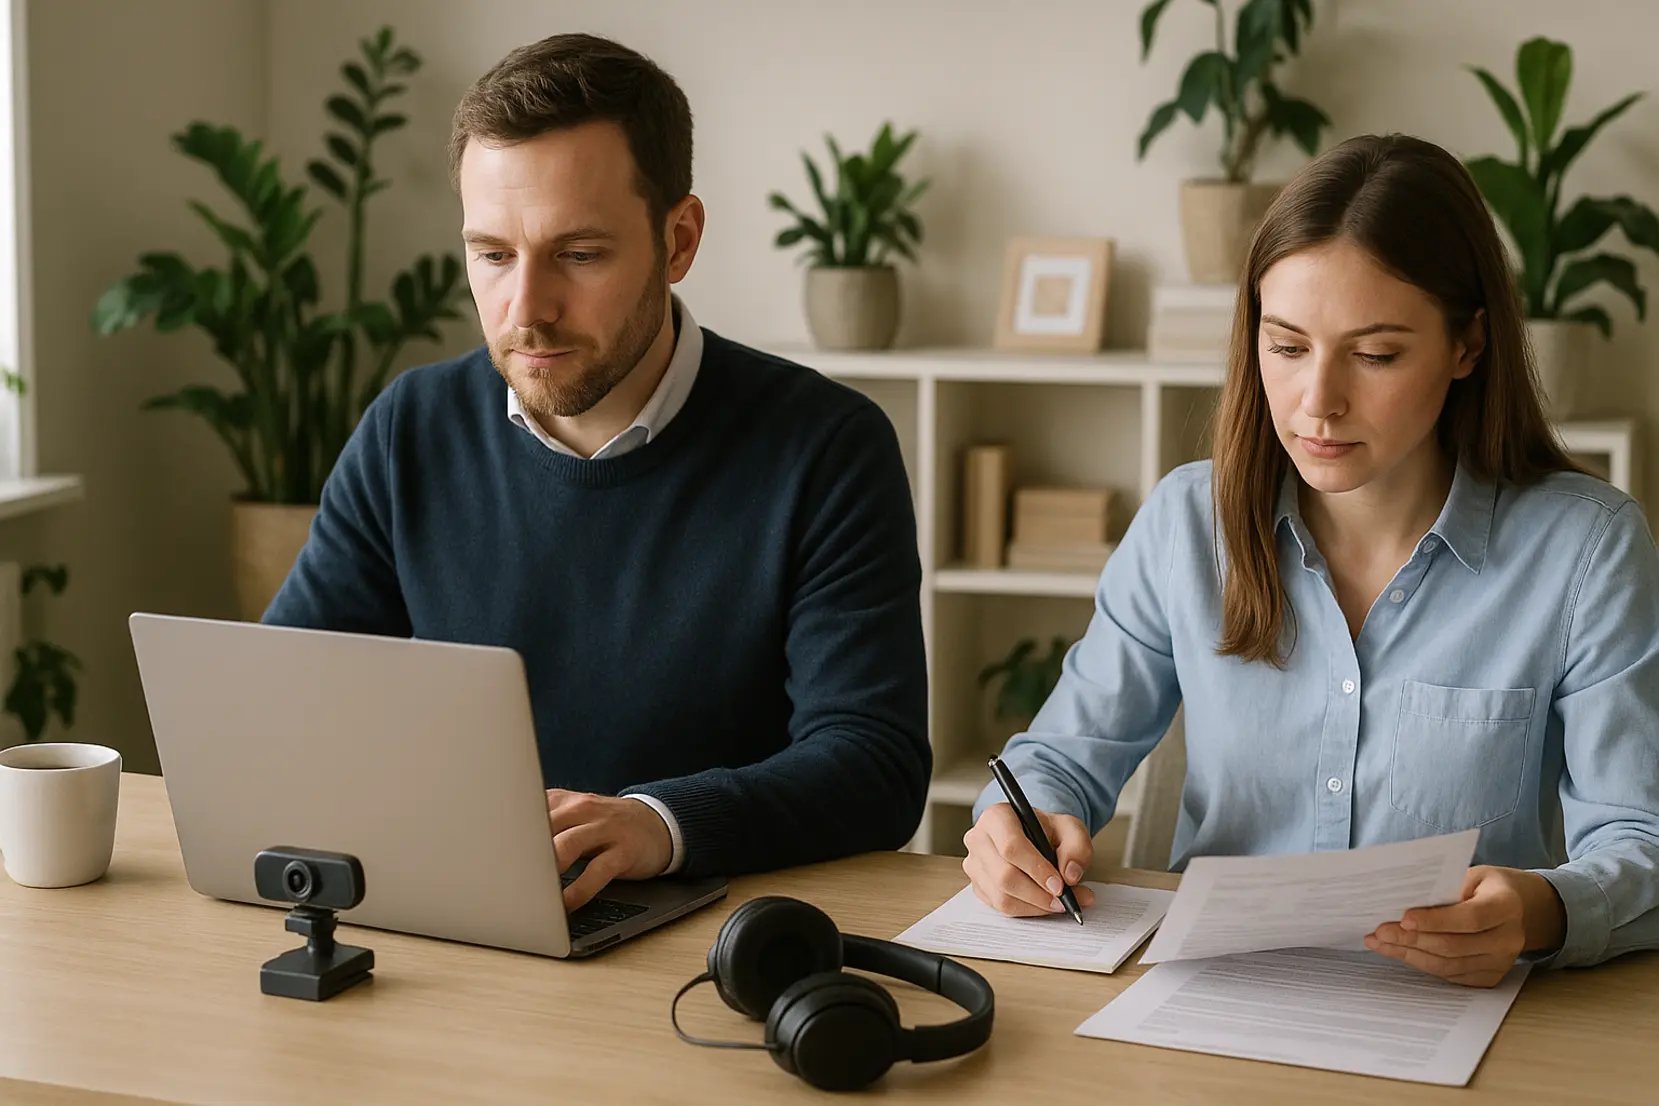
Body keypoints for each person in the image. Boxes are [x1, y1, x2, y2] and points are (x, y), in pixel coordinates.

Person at [964, 133, 1659, 986]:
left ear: (1467, 346)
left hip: (1459, 1023)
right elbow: (1058, 760)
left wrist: (1541, 909)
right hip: (1205, 1007)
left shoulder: (1585, 548)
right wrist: (1016, 823)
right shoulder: (1190, 522)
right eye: (1286, 347)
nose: (1317, 403)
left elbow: (1640, 839)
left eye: (1374, 355)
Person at [265, 33, 929, 912]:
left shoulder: (826, 447)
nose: (525, 310)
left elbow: (872, 764)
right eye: (493, 255)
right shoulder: (409, 428)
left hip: (708, 939)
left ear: (678, 239)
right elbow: (286, 696)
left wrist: (658, 824)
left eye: (578, 256)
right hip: (452, 921)